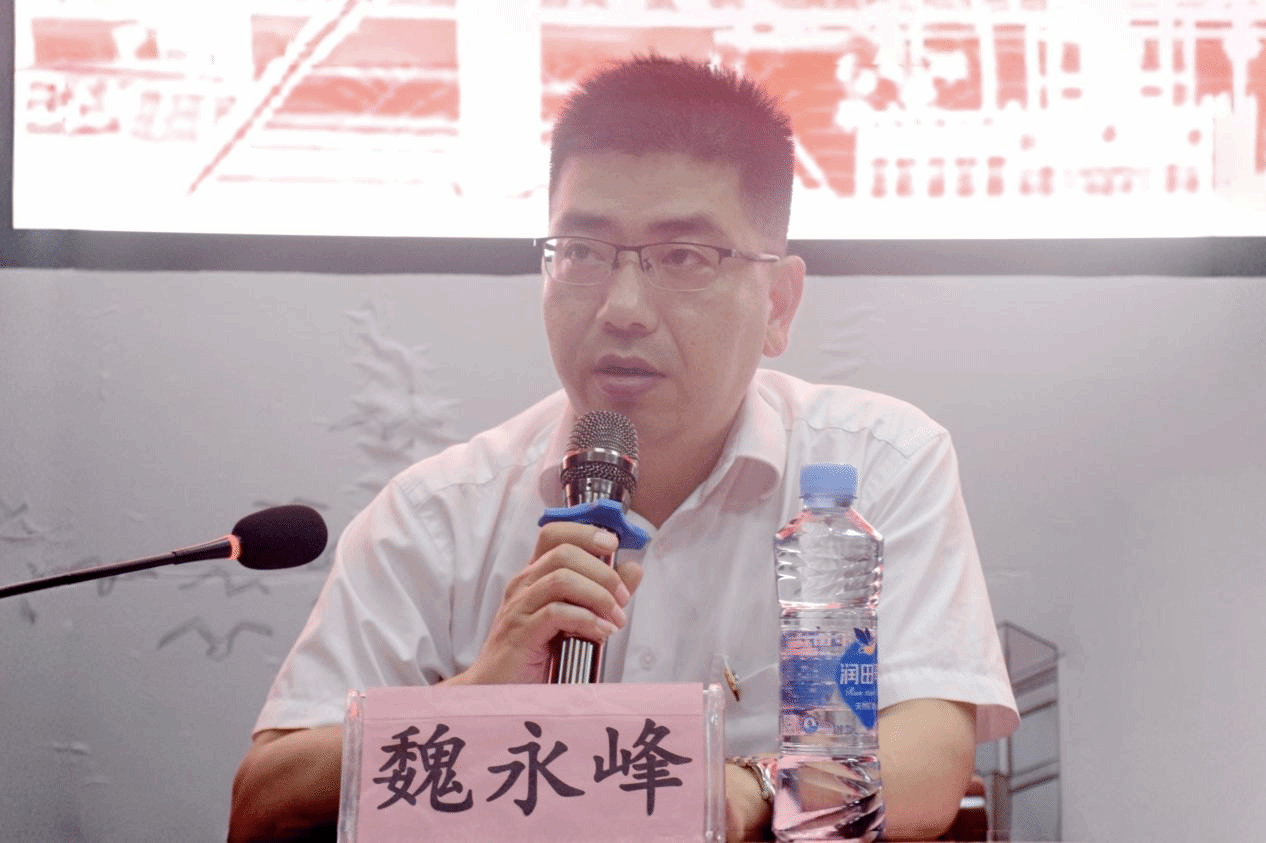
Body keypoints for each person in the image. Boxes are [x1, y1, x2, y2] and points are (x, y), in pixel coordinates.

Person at [229, 55, 1018, 842]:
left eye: (684, 258)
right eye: (582, 251)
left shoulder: (873, 465)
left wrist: (746, 789)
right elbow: (264, 800)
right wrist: (472, 701)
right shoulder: (436, 514)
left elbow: (929, 761)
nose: (623, 307)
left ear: (778, 303)